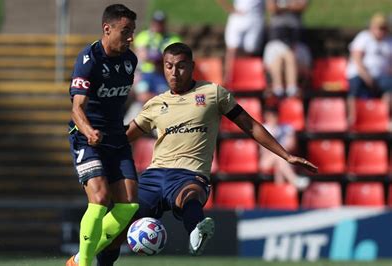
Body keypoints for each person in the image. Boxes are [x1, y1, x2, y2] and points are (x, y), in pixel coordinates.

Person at [96, 42, 318, 265]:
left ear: (192, 66)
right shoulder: (155, 104)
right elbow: (125, 137)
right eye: (169, 66)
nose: (174, 72)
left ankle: (196, 231)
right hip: (154, 175)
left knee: (189, 196)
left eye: (181, 66)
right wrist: (95, 138)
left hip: (189, 174)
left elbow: (251, 126)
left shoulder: (213, 93)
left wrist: (286, 155)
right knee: (118, 226)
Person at [65, 4, 140, 266]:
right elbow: (77, 108)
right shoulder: (89, 59)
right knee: (99, 198)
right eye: (125, 31)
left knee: (129, 206)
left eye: (132, 31)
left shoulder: (130, 60)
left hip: (116, 139)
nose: (130, 37)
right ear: (107, 29)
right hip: (87, 138)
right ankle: (84, 263)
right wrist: (89, 131)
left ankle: (77, 259)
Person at [346, 12, 392, 125]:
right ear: (372, 27)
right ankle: (352, 118)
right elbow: (357, 59)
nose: (381, 31)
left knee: (390, 87)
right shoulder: (363, 37)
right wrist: (367, 77)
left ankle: (385, 118)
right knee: (355, 86)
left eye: (384, 28)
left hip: (381, 76)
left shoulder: (389, 41)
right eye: (379, 28)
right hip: (361, 74)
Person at [263, 0, 311, 97]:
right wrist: (291, 5)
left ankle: (279, 90)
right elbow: (272, 8)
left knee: (288, 55)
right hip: (276, 43)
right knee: (283, 56)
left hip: (296, 45)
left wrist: (281, 5)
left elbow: (302, 6)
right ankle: (290, 89)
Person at [216, 0, 265, 85]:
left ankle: (243, 81)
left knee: (248, 52)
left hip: (255, 19)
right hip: (238, 19)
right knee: (233, 50)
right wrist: (230, 9)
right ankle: (229, 80)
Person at [259, 107, 309, 190]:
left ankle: (280, 192)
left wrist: (289, 139)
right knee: (279, 156)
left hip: (284, 159)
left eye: (274, 115)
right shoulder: (263, 129)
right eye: (270, 116)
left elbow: (292, 146)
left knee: (279, 165)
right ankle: (294, 181)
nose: (272, 118)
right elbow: (265, 150)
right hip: (266, 160)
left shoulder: (286, 128)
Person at [134, 10, 182, 74]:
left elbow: (175, 58)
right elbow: (141, 55)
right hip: (144, 73)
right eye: (156, 22)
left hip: (164, 73)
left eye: (161, 23)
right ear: (151, 22)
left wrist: (155, 56)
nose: (158, 25)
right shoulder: (143, 36)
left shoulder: (174, 38)